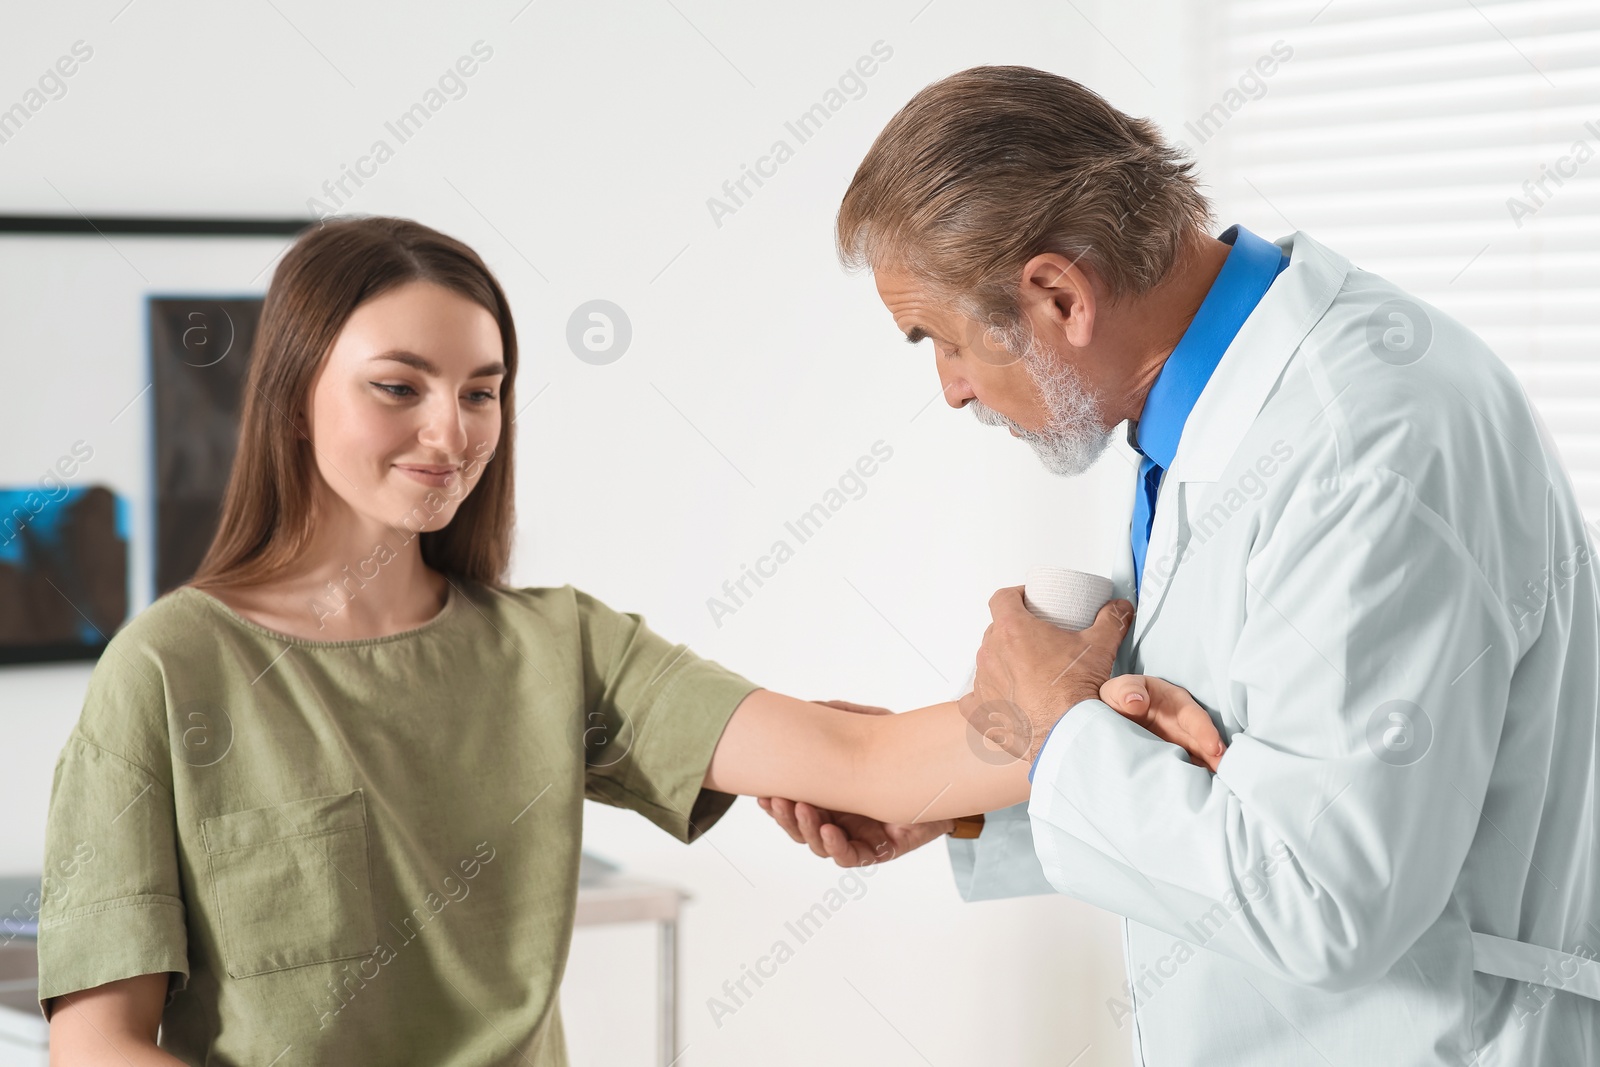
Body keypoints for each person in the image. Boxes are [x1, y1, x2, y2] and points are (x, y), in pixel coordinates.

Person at [36, 215, 1160, 1066]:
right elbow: (101, 1046)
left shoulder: (556, 646)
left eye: (482, 392)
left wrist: (1058, 694)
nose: (451, 431)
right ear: (291, 400)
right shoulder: (171, 666)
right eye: (399, 386)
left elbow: (857, 762)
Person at [762, 66, 1600, 1065]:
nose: (948, 389)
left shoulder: (1363, 445)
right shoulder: (1209, 419)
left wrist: (1056, 733)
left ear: (1056, 293)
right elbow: (1238, 748)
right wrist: (960, 788)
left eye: (939, 339)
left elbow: (1322, 893)